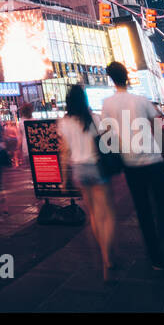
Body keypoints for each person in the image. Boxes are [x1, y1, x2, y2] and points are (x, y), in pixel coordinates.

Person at [101, 61, 164, 285]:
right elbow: (156, 127)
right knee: (163, 209)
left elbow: (107, 135)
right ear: (127, 76)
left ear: (110, 78)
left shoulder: (107, 104)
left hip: (130, 164)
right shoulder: (141, 100)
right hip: (154, 160)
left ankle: (156, 257)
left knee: (143, 211)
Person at [58, 84, 116, 279]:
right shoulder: (94, 119)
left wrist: (65, 180)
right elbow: (107, 142)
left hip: (79, 170)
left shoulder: (64, 122)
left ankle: (102, 252)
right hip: (96, 166)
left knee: (93, 214)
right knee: (106, 214)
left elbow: (64, 152)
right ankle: (108, 258)